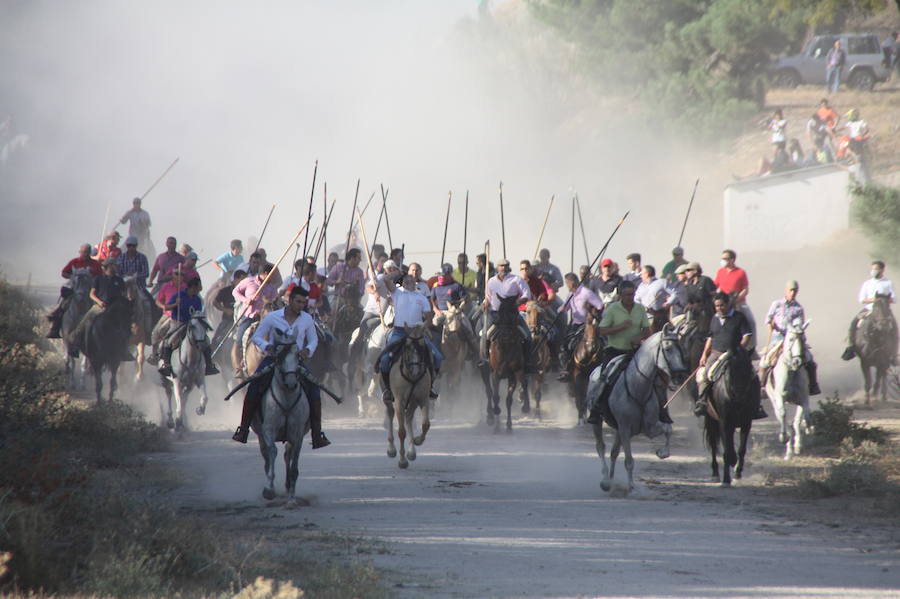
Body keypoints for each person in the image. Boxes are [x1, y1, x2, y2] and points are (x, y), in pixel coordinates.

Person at [232, 285, 331, 448]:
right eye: (298, 302)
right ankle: (243, 429)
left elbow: (314, 340)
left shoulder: (306, 319)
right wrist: (267, 347)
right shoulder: (272, 317)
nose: (301, 306)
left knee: (314, 389)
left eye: (303, 303)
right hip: (273, 359)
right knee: (253, 387)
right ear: (290, 300)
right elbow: (256, 337)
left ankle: (317, 434)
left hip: (296, 360)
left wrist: (308, 350)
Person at [585, 280, 652, 424]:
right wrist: (621, 327)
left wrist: (639, 337)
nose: (630, 297)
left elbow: (647, 330)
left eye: (632, 294)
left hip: (635, 351)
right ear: (621, 295)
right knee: (603, 378)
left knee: (653, 375)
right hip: (615, 351)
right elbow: (601, 330)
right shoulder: (612, 309)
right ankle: (596, 409)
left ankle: (658, 410)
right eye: (627, 295)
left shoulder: (640, 309)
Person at [694, 292, 766, 419]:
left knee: (752, 374)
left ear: (728, 304)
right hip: (716, 353)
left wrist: (740, 349)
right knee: (704, 374)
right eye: (716, 306)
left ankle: (757, 405)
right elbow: (710, 338)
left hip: (734, 353)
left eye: (721, 305)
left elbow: (747, 336)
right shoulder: (715, 318)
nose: (719, 308)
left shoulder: (739, 317)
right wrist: (704, 355)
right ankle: (702, 401)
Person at [379, 274, 443, 402]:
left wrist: (424, 326)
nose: (409, 282)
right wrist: (398, 272)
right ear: (402, 283)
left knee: (437, 357)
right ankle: (388, 389)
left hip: (417, 333)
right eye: (406, 281)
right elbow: (385, 279)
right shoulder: (397, 293)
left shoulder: (421, 297)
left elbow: (429, 318)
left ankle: (429, 387)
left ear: (415, 283)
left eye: (411, 280)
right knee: (385, 359)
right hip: (399, 332)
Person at [759, 280, 820, 397]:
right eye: (791, 290)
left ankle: (813, 385)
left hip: (794, 339)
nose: (793, 293)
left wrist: (797, 333)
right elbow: (768, 318)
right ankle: (762, 388)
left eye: (795, 291)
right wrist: (770, 325)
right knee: (765, 361)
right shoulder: (777, 304)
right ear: (786, 290)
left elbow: (800, 325)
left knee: (809, 358)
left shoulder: (799, 308)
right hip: (778, 338)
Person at [67, 258, 132, 360]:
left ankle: (125, 350)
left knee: (126, 324)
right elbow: (91, 294)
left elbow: (123, 295)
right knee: (84, 322)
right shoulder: (98, 279)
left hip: (115, 308)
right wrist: (99, 302)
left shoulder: (119, 280)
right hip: (99, 306)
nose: (116, 267)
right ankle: (75, 344)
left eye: (115, 265)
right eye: (113, 265)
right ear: (107, 267)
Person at [154, 277, 219, 377]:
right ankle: (166, 365)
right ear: (192, 287)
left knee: (205, 340)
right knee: (169, 340)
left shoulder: (197, 299)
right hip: (178, 323)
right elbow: (166, 307)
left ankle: (209, 365)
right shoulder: (178, 296)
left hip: (192, 324)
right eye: (198, 287)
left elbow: (197, 313)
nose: (200, 289)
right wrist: (176, 304)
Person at [843, 260, 898, 361]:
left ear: (882, 270)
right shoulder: (867, 283)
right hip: (869, 309)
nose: (873, 271)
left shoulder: (888, 283)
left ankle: (894, 355)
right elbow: (861, 299)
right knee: (854, 322)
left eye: (876, 269)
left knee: (895, 327)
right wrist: (873, 299)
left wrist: (883, 299)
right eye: (872, 269)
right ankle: (851, 347)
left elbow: (894, 298)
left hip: (885, 311)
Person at [481, 259, 533, 365]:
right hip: (495, 315)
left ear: (509, 267)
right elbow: (488, 297)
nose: (503, 268)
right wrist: (485, 303)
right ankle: (485, 359)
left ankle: (528, 361)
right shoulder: (491, 281)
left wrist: (517, 303)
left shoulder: (516, 280)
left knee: (527, 335)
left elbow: (526, 295)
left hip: (512, 315)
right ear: (497, 267)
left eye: (506, 266)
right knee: (485, 335)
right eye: (501, 266)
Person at [46, 243, 103, 338]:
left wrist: (93, 280)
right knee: (64, 304)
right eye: (83, 252)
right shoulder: (74, 262)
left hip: (90, 290)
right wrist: (72, 277)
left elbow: (100, 277)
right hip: (75, 289)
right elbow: (64, 273)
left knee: (99, 308)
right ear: (80, 252)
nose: (84, 254)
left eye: (86, 252)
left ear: (90, 252)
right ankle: (55, 327)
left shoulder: (95, 264)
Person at [232, 264, 278, 378]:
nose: (275, 276)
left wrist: (270, 301)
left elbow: (274, 301)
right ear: (266, 273)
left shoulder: (272, 287)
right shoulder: (249, 281)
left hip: (266, 319)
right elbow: (235, 292)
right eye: (273, 274)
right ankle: (240, 367)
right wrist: (246, 300)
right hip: (250, 316)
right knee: (240, 340)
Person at [349, 260, 400, 362]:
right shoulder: (380, 278)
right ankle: (354, 359)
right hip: (372, 313)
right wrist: (374, 292)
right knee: (362, 332)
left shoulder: (393, 283)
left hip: (385, 316)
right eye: (394, 270)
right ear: (390, 269)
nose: (396, 273)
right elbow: (368, 287)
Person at [557, 272, 604, 381]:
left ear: (571, 283)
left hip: (587, 325)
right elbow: (566, 308)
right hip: (575, 324)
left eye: (567, 283)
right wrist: (561, 308)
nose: (567, 286)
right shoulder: (570, 295)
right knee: (565, 345)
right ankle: (567, 368)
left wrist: (593, 314)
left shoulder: (586, 293)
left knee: (600, 343)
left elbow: (600, 305)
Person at [714, 249, 756, 350]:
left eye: (725, 258)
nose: (722, 261)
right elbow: (715, 286)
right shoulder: (720, 271)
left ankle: (751, 346)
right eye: (722, 258)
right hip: (723, 302)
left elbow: (745, 289)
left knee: (751, 321)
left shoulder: (741, 272)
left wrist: (736, 299)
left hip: (738, 302)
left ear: (732, 260)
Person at [211, 269, 246, 348]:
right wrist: (225, 310)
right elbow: (215, 302)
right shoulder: (225, 291)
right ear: (235, 279)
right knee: (217, 338)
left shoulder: (246, 291)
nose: (244, 282)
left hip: (242, 320)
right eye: (242, 280)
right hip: (228, 320)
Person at [635, 265, 669, 333]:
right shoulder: (641, 286)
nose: (641, 276)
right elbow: (636, 299)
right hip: (646, 317)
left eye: (642, 274)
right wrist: (642, 307)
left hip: (660, 316)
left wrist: (668, 302)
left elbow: (674, 293)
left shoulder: (662, 282)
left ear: (647, 274)